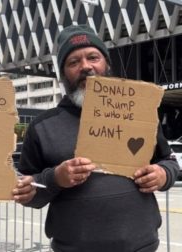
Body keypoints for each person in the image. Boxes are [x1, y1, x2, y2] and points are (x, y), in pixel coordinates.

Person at [12, 25, 179, 252]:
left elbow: (169, 161)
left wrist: (162, 174)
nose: (86, 67)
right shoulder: (42, 127)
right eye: (73, 62)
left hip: (141, 247)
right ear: (63, 74)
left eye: (93, 57)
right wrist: (55, 178)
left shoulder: (140, 113)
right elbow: (28, 192)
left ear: (106, 65)